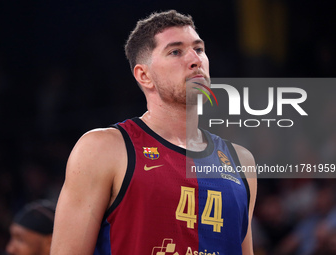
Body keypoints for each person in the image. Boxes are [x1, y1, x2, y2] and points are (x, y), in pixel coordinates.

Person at [51, 10, 257, 255]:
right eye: (175, 51)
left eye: (199, 49)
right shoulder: (103, 149)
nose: (195, 59)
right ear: (144, 75)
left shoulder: (241, 161)